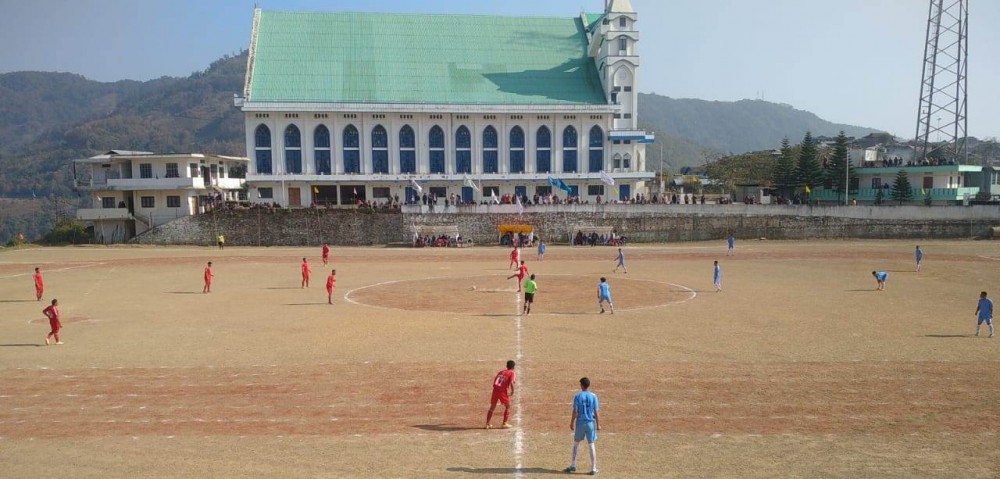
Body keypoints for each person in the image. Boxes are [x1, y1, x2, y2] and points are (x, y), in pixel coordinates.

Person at [563, 377, 600, 475]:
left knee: (576, 444)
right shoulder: (593, 396)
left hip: (580, 423)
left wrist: (571, 422)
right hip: (590, 423)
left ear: (582, 385)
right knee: (591, 444)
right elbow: (596, 412)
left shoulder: (578, 396)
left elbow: (575, 411)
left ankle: (573, 465)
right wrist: (598, 424)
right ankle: (593, 468)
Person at [486, 360, 516, 429]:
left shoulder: (501, 372)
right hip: (502, 391)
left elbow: (495, 380)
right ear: (513, 367)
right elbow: (511, 382)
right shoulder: (512, 373)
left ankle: (487, 424)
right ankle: (504, 423)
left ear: (506, 366)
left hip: (495, 390)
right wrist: (512, 391)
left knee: (492, 407)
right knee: (508, 406)